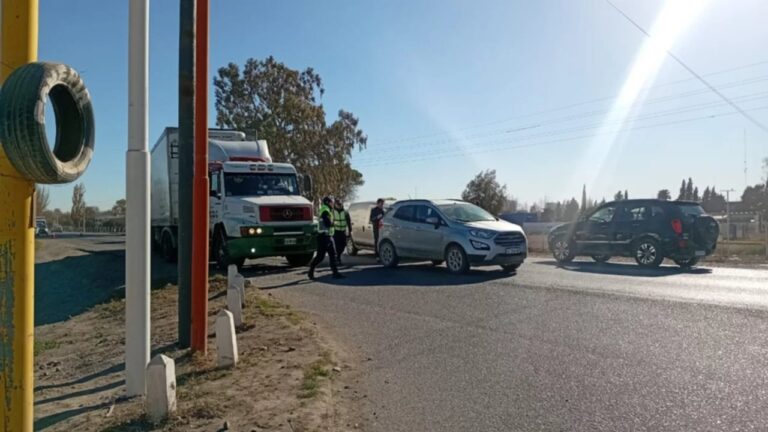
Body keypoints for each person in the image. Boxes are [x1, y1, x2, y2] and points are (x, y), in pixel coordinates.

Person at [309, 196, 343, 280]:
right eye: (331, 202)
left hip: (323, 236)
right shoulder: (325, 211)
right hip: (325, 237)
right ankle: (335, 273)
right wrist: (333, 223)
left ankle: (311, 271)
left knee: (321, 256)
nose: (333, 203)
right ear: (328, 202)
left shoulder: (325, 209)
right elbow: (327, 223)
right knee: (332, 254)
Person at [332, 199, 352, 265]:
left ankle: (338, 256)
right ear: (335, 204)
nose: (339, 205)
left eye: (340, 204)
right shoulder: (332, 212)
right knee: (337, 246)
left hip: (343, 231)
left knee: (343, 245)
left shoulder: (345, 212)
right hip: (336, 231)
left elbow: (349, 222)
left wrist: (350, 230)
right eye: (338, 204)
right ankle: (338, 258)